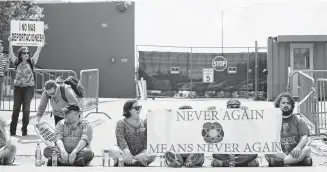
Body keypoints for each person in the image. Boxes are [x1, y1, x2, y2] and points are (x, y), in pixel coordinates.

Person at [265, 92, 312, 167]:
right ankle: (296, 161)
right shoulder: (272, 120)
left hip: (295, 152)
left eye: (288, 103)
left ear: (292, 106)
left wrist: (298, 148)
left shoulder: (299, 120)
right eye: (283, 103)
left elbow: (304, 137)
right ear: (278, 105)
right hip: (279, 153)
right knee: (268, 152)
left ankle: (281, 162)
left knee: (307, 149)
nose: (286, 105)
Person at [8, 37, 43, 136]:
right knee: (16, 108)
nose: (26, 54)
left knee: (26, 109)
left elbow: (38, 51)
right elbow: (11, 52)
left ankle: (24, 130)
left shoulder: (31, 62)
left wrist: (40, 44)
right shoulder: (16, 61)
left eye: (27, 53)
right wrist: (10, 42)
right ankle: (13, 130)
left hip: (29, 88)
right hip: (18, 88)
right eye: (24, 53)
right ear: (21, 54)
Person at [210, 101, 260, 167]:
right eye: (231, 107)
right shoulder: (222, 121)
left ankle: (229, 163)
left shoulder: (244, 120)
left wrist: (248, 115)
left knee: (253, 154)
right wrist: (210, 116)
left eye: (236, 107)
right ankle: (240, 163)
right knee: (216, 154)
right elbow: (211, 134)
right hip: (225, 152)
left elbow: (254, 131)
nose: (234, 110)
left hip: (241, 152)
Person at [109, 100, 156, 167]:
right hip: (124, 152)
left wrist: (151, 122)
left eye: (140, 107)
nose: (139, 110)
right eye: (136, 108)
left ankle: (126, 161)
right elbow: (121, 139)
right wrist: (127, 152)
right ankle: (136, 163)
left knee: (152, 153)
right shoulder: (121, 123)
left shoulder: (144, 122)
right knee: (112, 150)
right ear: (129, 110)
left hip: (141, 153)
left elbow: (153, 138)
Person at [0, 40, 10, 109]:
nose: (0, 47)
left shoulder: (3, 56)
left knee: (0, 97)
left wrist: (8, 60)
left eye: (1, 46)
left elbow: (6, 69)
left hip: (1, 78)